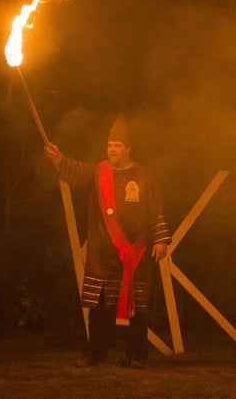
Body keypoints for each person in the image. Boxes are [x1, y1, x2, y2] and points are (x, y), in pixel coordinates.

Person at [45, 111, 171, 368]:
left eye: (117, 146)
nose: (112, 150)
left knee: (137, 307)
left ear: (128, 149)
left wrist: (160, 241)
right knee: (99, 308)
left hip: (134, 254)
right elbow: (75, 171)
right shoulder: (98, 172)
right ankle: (94, 354)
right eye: (109, 145)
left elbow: (156, 210)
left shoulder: (145, 176)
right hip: (102, 254)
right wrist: (58, 158)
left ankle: (136, 356)